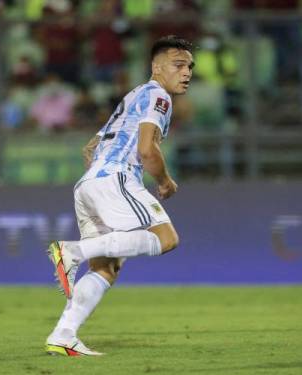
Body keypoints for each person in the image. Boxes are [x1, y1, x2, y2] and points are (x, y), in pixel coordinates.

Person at [44, 35, 194, 356]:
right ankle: (72, 251)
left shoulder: (134, 95)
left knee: (106, 268)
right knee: (166, 238)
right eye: (178, 65)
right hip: (117, 178)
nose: (187, 72)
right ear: (157, 67)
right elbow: (146, 149)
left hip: (88, 184)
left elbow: (90, 147)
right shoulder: (159, 96)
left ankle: (63, 334)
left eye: (190, 67)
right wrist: (165, 181)